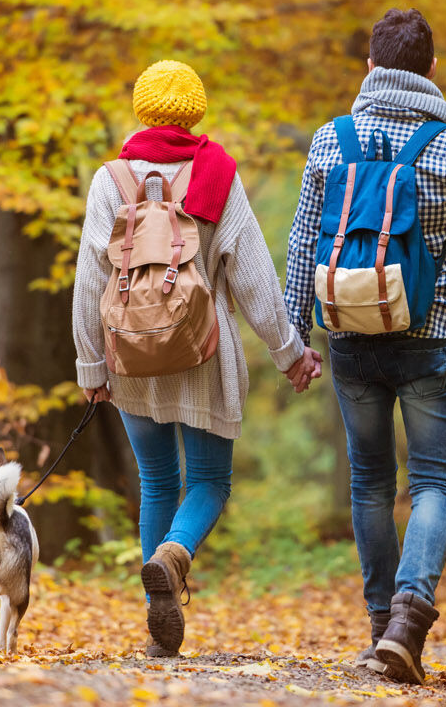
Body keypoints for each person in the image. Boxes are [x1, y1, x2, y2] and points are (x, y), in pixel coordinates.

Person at [71, 60, 322, 658]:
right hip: (203, 352)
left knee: (158, 480)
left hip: (130, 354)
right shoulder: (217, 174)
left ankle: (158, 612)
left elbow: (89, 280)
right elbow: (256, 277)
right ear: (196, 112)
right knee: (209, 481)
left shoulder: (110, 180)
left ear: (142, 110)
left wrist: (90, 364)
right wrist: (290, 353)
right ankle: (173, 557)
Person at [283, 9, 446, 685]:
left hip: (349, 334)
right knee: (433, 479)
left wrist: (297, 338)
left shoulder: (329, 141)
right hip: (432, 338)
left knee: (369, 481)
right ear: (432, 71)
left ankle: (382, 629)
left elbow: (299, 243)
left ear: (370, 68)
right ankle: (410, 621)